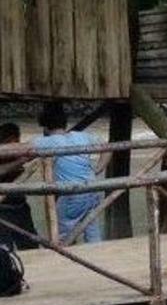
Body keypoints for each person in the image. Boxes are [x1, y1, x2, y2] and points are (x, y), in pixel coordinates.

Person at [33, 102, 111, 244]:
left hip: (72, 194)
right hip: (92, 189)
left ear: (44, 126)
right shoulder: (80, 136)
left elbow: (18, 148)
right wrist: (97, 170)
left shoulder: (46, 142)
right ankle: (98, 260)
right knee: (92, 231)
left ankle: (62, 262)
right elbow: (107, 148)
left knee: (62, 236)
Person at [0, 123, 39, 249]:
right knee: (5, 248)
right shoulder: (4, 153)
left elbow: (37, 146)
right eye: (12, 141)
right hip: (3, 207)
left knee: (30, 244)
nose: (16, 143)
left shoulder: (20, 150)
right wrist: (20, 162)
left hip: (20, 205)